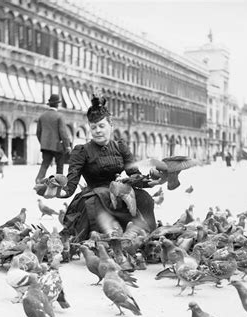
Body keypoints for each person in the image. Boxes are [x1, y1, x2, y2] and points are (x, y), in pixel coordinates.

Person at [58, 95, 156, 242]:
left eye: (101, 126)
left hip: (119, 191)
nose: (97, 131)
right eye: (93, 127)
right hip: (94, 194)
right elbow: (70, 185)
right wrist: (58, 190)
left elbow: (134, 174)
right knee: (97, 200)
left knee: (144, 198)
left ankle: (143, 235)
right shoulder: (81, 151)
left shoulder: (120, 147)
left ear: (111, 126)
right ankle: (103, 239)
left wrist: (150, 179)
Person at [35, 94, 72, 184]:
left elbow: (38, 132)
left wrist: (43, 142)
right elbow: (63, 133)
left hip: (45, 146)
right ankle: (58, 183)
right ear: (57, 104)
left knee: (45, 164)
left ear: (49, 104)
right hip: (57, 146)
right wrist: (67, 146)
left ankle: (38, 180)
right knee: (59, 165)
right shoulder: (59, 116)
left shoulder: (42, 116)